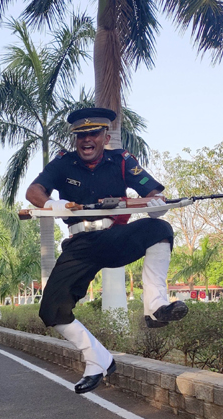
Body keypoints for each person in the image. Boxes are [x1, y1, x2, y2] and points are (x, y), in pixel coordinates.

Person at [25, 107, 186, 394]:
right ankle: (98, 359)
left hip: (114, 237)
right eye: (81, 135)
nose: (87, 140)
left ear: (105, 135)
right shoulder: (63, 162)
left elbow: (153, 193)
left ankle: (155, 308)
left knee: (160, 230)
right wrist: (52, 205)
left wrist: (156, 204)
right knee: (51, 310)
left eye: (93, 134)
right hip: (79, 245)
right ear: (75, 138)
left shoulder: (121, 160)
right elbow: (33, 192)